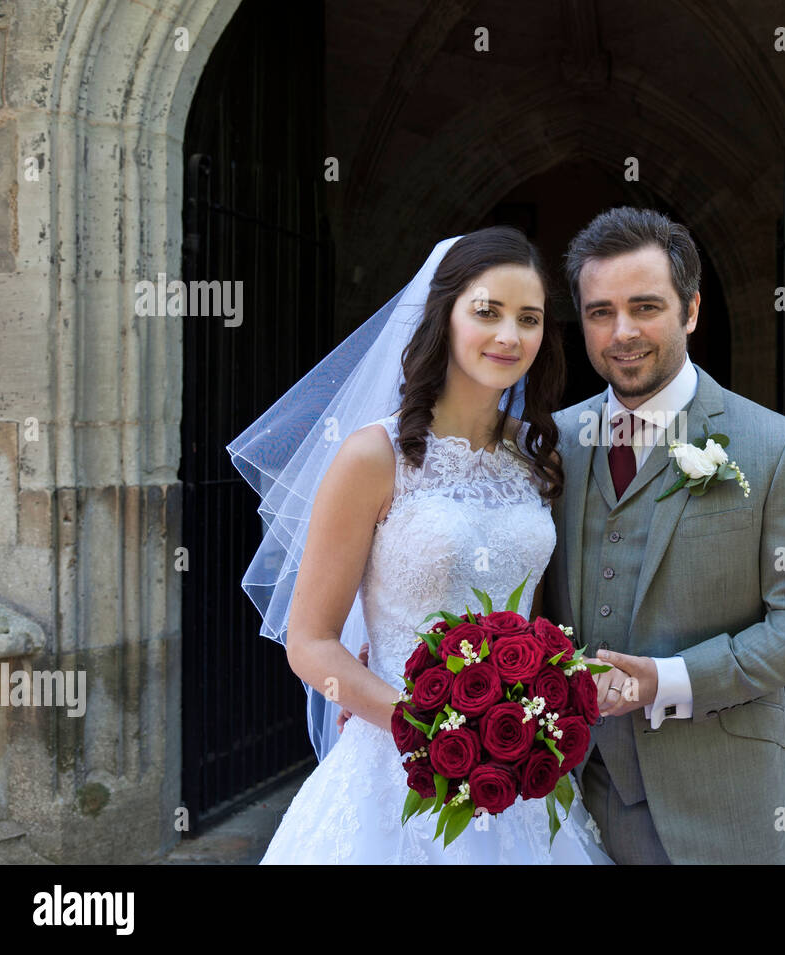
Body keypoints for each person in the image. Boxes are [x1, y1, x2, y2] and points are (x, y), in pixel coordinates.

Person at [230, 226, 613, 864]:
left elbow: (529, 623)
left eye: (530, 318)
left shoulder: (536, 458)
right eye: (487, 312)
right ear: (445, 315)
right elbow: (310, 642)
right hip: (395, 763)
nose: (509, 336)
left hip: (515, 769)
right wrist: (425, 725)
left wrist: (535, 711)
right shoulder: (373, 457)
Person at [541, 207, 785, 864]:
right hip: (561, 801)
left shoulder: (772, 445)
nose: (622, 332)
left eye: (645, 306)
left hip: (717, 807)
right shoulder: (554, 444)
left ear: (691, 310)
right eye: (600, 312)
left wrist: (667, 680)